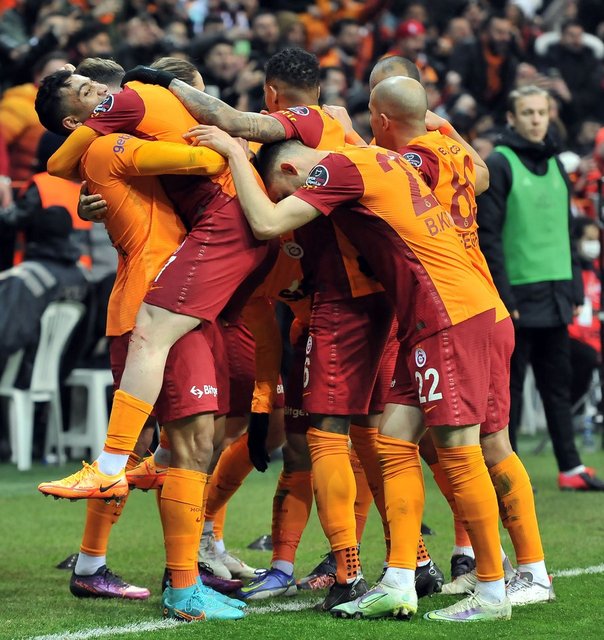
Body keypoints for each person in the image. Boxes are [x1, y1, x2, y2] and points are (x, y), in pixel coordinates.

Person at [125, 47, 443, 607]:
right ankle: (415, 561)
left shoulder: (316, 127)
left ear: (274, 97)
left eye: (274, 182)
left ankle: (347, 572)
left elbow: (244, 155)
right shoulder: (357, 144)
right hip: (384, 304)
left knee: (325, 439)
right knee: (378, 441)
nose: (273, 190)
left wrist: (160, 85)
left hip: (344, 306)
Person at [190, 89, 512, 622]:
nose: (293, 207)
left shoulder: (340, 169)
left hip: (443, 312)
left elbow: (267, 221)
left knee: (457, 449)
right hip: (425, 313)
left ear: (292, 169)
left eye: (284, 190)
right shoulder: (386, 156)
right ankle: (404, 577)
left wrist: (231, 151)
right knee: (394, 442)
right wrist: (440, 125)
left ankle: (491, 586)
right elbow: (478, 174)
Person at [35, 63, 246, 622]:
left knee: (180, 446)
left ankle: (108, 564)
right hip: (154, 304)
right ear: (77, 121)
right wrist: (218, 135)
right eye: (86, 92)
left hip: (168, 296)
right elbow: (205, 160)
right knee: (186, 446)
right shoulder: (112, 147)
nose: (104, 95)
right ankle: (181, 582)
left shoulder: (108, 153)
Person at [477, 84, 604, 492]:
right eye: (528, 113)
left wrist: (574, 289)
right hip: (516, 295)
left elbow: (565, 231)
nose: (536, 119)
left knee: (557, 384)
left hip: (556, 293)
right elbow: (488, 236)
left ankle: (570, 468)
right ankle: (508, 470)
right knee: (509, 390)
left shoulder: (555, 164)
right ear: (511, 118)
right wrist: (504, 294)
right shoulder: (499, 163)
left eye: (541, 112)